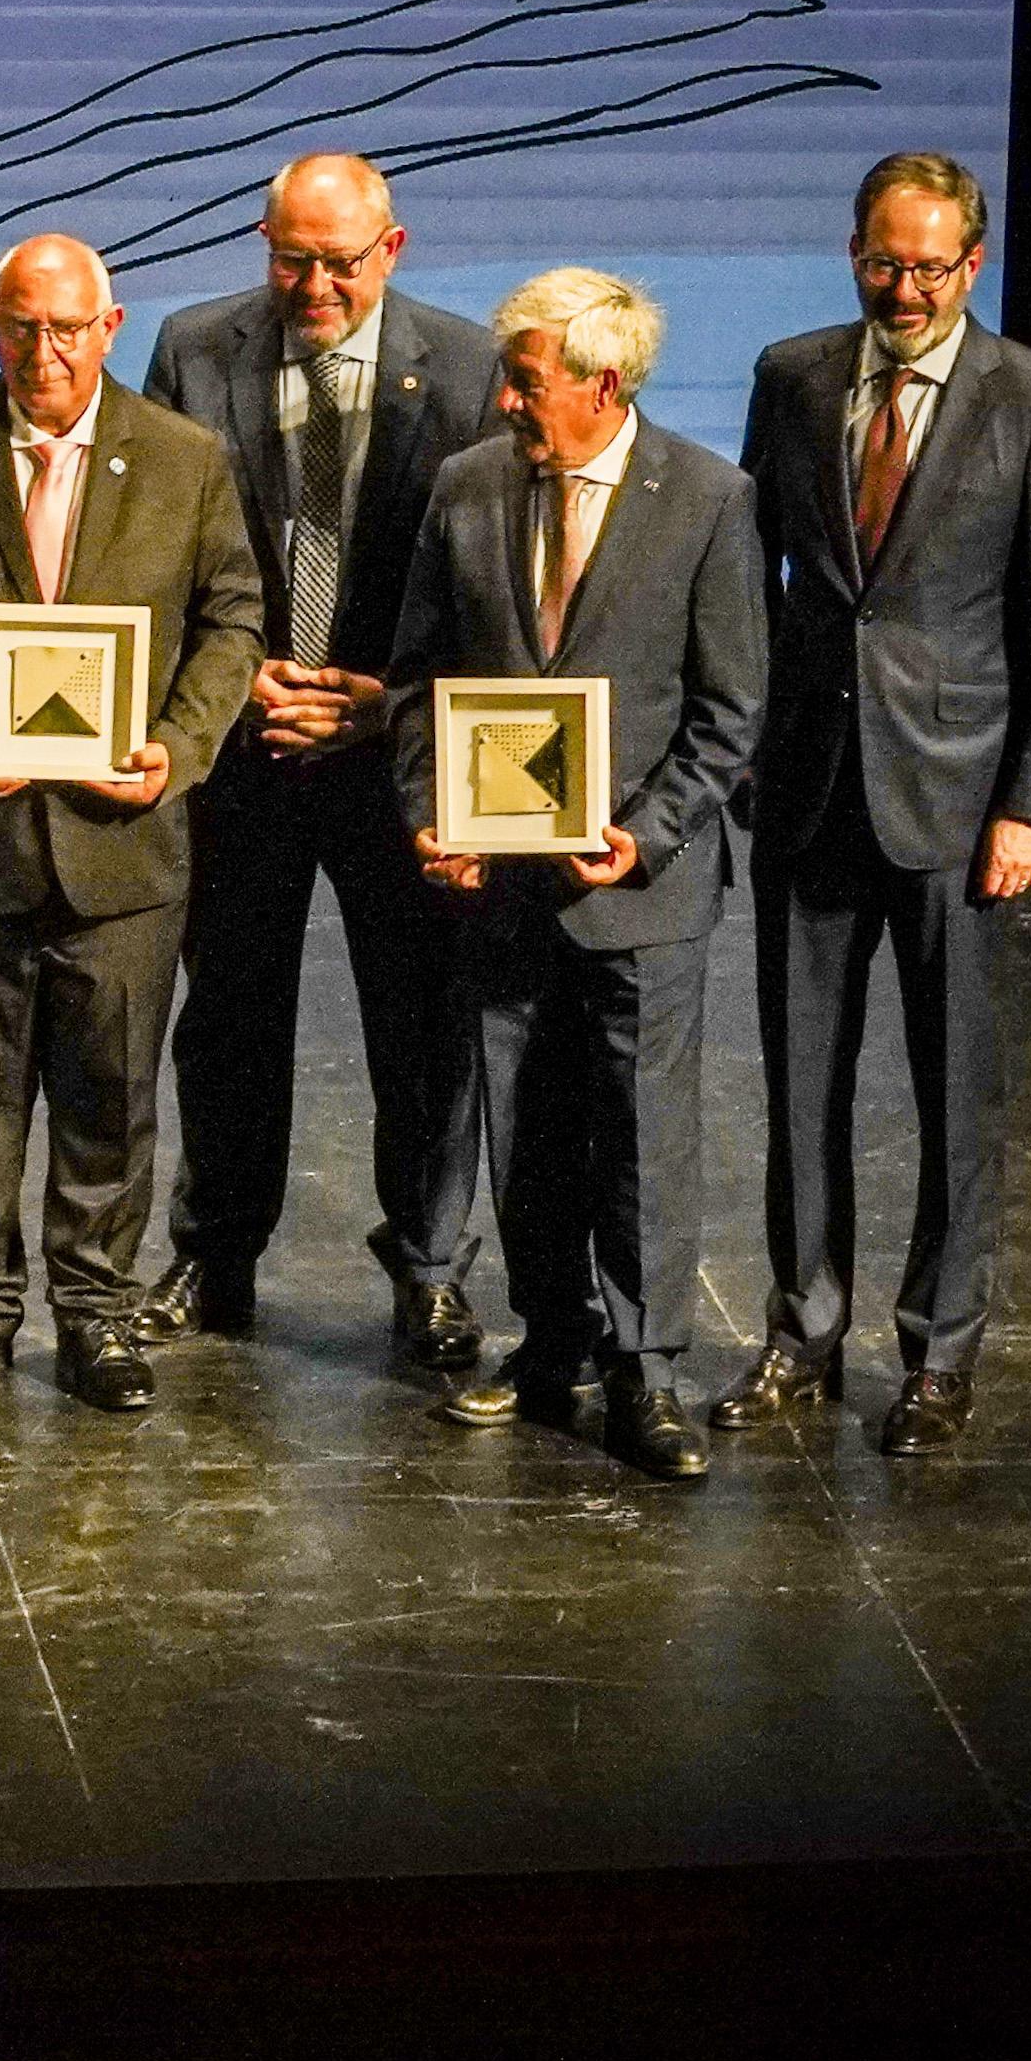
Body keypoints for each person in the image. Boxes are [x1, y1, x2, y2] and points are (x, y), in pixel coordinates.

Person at [0, 235, 261, 1412]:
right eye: (22, 326)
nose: (45, 351)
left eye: (68, 327)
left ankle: (96, 1312)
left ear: (109, 327)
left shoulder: (183, 457)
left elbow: (233, 619)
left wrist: (176, 748)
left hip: (123, 844)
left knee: (110, 1096)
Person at [726, 154, 1031, 1456]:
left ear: (970, 265)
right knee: (800, 1085)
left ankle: (938, 1355)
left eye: (929, 268)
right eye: (884, 263)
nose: (904, 289)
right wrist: (743, 742)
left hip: (958, 797)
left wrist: (1030, 806)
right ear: (852, 252)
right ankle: (801, 1332)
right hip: (806, 786)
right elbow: (750, 575)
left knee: (953, 1095)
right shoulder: (790, 376)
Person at [401, 268, 768, 1483]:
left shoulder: (707, 499)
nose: (505, 399)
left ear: (603, 383)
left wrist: (644, 835)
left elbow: (728, 708)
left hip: (637, 889)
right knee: (525, 1128)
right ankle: (550, 1341)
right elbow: (415, 680)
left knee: (643, 1135)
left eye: (526, 380)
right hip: (501, 885)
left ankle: (646, 1369)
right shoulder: (466, 487)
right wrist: (430, 811)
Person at [136, 153, 502, 1361]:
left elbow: (493, 586)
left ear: (391, 249)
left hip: (396, 752)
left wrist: (389, 702)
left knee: (423, 1020)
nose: (313, 286)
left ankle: (430, 1265)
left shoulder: (470, 368)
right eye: (290, 259)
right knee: (228, 1013)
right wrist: (231, 676)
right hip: (246, 748)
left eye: (339, 262)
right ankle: (214, 1252)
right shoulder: (196, 350)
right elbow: (158, 548)